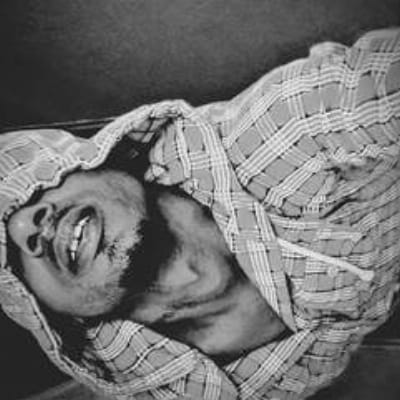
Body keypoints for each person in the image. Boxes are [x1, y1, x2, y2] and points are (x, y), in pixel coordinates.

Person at [0, 27, 399, 399]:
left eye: (31, 186)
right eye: (11, 263)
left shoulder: (281, 131)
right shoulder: (185, 389)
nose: (22, 226)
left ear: (102, 160)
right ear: (54, 317)